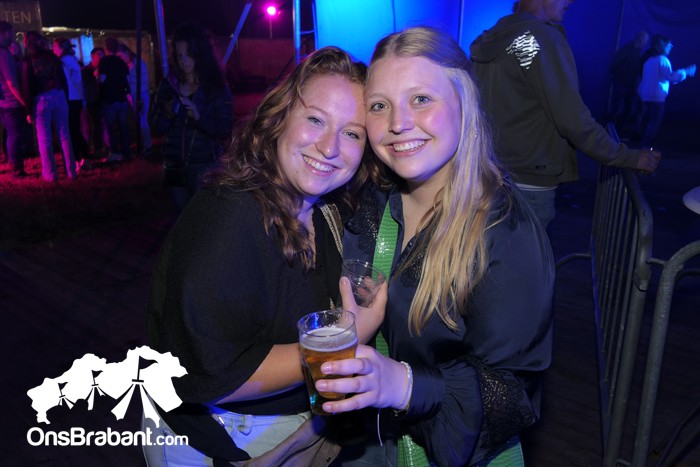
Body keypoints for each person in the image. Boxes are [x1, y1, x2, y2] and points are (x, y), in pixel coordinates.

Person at [316, 26, 555, 466]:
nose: (398, 123)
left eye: (421, 99)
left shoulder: (505, 232)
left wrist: (404, 385)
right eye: (379, 105)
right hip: (370, 445)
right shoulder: (373, 202)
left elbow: (513, 396)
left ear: (465, 103)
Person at [144, 46, 383, 465]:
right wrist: (342, 342)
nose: (329, 147)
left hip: (285, 430)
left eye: (352, 133)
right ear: (279, 117)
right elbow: (212, 376)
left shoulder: (322, 208)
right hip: (221, 441)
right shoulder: (231, 215)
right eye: (315, 119)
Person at [469, 0, 660, 228]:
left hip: (492, 175)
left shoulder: (499, 37)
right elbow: (572, 119)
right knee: (524, 251)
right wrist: (628, 157)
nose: (570, 1)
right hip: (528, 185)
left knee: (493, 247)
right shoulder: (537, 39)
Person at [150, 22, 234, 211]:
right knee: (180, 217)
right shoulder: (168, 85)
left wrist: (199, 118)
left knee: (202, 219)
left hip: (205, 166)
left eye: (189, 54)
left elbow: (224, 129)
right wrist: (167, 113)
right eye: (179, 55)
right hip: (174, 165)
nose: (184, 61)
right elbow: (155, 126)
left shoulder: (216, 88)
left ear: (200, 54)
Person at [22, 31, 76, 182]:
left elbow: (27, 87)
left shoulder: (28, 60)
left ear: (27, 43)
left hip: (41, 99)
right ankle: (71, 171)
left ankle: (50, 175)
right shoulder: (52, 57)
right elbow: (63, 79)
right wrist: (65, 97)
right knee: (64, 135)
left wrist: (28, 110)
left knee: (44, 138)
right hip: (58, 94)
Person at [638, 34, 696, 147]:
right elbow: (670, 76)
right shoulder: (663, 60)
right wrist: (686, 71)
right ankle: (645, 147)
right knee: (654, 122)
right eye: (669, 45)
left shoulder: (649, 61)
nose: (671, 47)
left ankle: (643, 146)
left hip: (646, 95)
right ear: (663, 46)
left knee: (649, 120)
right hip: (656, 96)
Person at [53, 37, 90, 166]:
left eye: (55, 47)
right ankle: (84, 156)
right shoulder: (73, 60)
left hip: (70, 98)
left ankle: (78, 159)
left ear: (61, 48)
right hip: (76, 98)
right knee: (75, 129)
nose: (53, 49)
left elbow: (68, 81)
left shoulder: (63, 62)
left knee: (72, 130)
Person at [0, 21, 28, 178]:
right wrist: (24, 102)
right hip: (12, 102)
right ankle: (16, 168)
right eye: (11, 33)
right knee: (15, 135)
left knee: (11, 134)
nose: (12, 36)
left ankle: (14, 164)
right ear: (5, 33)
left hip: (3, 102)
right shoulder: (3, 54)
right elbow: (11, 83)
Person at [607, 31, 649, 135]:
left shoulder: (638, 51)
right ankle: (609, 130)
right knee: (617, 109)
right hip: (621, 83)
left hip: (630, 84)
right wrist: (614, 76)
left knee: (628, 110)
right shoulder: (627, 49)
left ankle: (616, 130)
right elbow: (615, 63)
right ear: (640, 39)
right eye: (645, 41)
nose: (646, 43)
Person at [116, 43, 152, 158]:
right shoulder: (128, 65)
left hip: (142, 94)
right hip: (134, 95)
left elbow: (143, 81)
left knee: (143, 120)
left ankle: (147, 146)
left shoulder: (138, 63)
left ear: (126, 53)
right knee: (139, 120)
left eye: (121, 56)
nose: (120, 59)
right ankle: (143, 145)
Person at [98, 37, 131, 161]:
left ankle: (115, 153)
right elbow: (126, 80)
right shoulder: (121, 62)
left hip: (109, 99)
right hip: (121, 98)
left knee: (111, 128)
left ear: (106, 48)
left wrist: (97, 79)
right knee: (124, 127)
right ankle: (126, 152)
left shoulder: (104, 61)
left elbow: (102, 79)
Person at [81, 47, 106, 156]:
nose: (101, 57)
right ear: (92, 56)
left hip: (100, 99)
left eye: (102, 55)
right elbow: (87, 86)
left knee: (100, 124)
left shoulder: (103, 69)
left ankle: (101, 147)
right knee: (93, 124)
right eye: (99, 54)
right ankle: (95, 148)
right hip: (91, 100)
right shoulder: (86, 70)